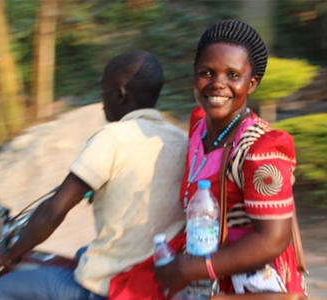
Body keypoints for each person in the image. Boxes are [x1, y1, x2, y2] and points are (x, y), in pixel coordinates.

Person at [108, 20, 306, 299]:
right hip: (198, 261)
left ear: (252, 83)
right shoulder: (200, 124)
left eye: (233, 75)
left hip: (247, 282)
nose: (217, 84)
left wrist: (193, 270)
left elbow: (272, 240)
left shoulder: (262, 148)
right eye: (207, 72)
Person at [0, 50, 188, 300]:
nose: (101, 100)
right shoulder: (181, 139)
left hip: (111, 288)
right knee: (81, 254)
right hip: (157, 282)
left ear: (119, 94)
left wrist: (8, 255)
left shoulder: (112, 138)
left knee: (6, 286)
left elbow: (53, 212)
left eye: (103, 91)